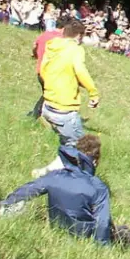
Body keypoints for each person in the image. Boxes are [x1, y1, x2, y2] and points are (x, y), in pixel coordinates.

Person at [0, 135, 130, 247]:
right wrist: (102, 249)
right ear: (94, 161)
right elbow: (102, 222)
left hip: (58, 228)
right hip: (85, 235)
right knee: (122, 231)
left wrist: (4, 204)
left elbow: (27, 190)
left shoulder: (54, 176)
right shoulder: (98, 187)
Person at [33, 20, 99, 177]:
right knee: (85, 151)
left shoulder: (53, 45)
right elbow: (80, 71)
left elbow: (43, 70)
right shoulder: (75, 50)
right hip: (64, 109)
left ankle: (50, 172)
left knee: (69, 146)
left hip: (48, 106)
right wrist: (93, 92)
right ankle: (82, 183)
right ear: (78, 36)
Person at [27, 15, 68, 118]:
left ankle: (43, 115)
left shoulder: (45, 34)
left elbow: (34, 46)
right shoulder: (63, 40)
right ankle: (35, 115)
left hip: (40, 72)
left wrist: (35, 54)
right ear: (65, 28)